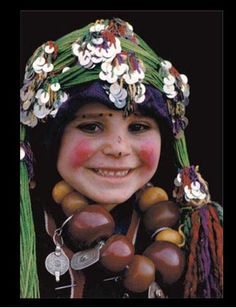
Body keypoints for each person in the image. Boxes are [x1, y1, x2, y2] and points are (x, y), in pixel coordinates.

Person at [20, 17, 223, 299]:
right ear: (50, 139)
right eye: (91, 126)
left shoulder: (195, 239)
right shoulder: (27, 232)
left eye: (138, 127)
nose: (118, 148)